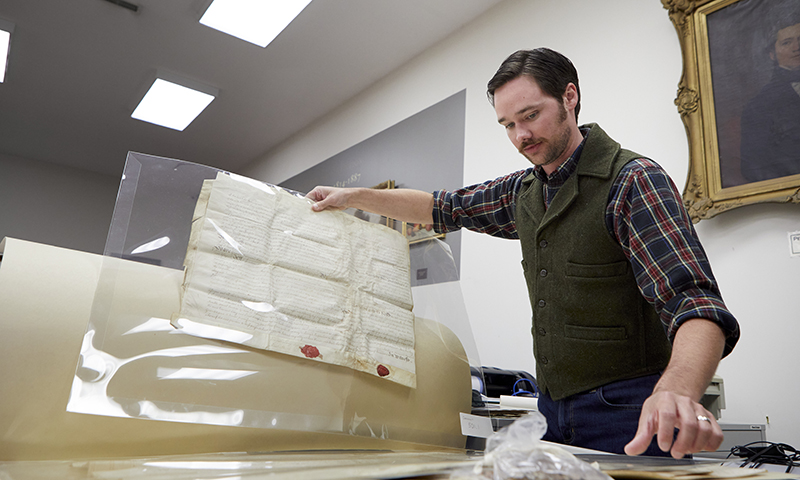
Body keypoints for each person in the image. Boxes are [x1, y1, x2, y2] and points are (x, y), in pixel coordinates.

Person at [306, 48, 740, 458]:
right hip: (552, 410)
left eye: (531, 115)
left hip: (630, 412)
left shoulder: (631, 181)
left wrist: (676, 392)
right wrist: (353, 197)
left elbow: (696, 304)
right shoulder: (524, 191)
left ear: (570, 96)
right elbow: (442, 207)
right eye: (508, 124)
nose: (522, 135)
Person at [740, 18, 800, 183]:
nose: (797, 47)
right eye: (787, 43)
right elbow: (753, 166)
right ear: (772, 54)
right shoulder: (759, 107)